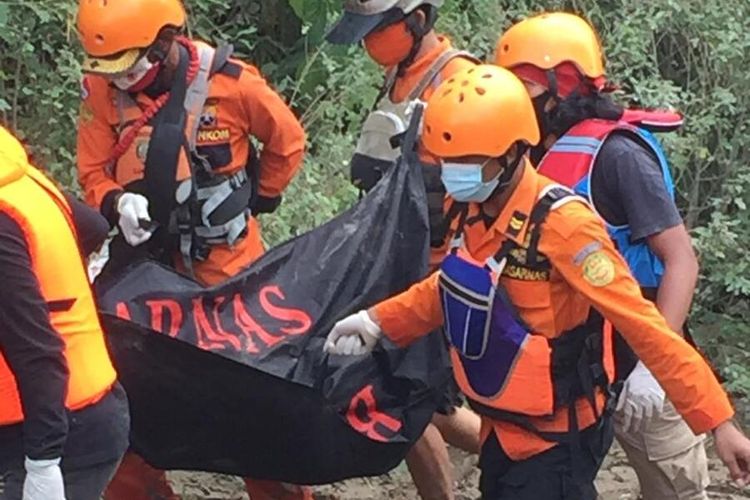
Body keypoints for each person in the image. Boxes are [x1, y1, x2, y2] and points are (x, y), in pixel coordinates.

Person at [323, 64, 750, 500]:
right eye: (449, 161)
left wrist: (718, 423)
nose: (455, 172)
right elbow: (457, 286)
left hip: (557, 442)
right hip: (501, 430)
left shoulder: (566, 228)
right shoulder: (473, 208)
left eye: (469, 161)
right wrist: (379, 322)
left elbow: (644, 326)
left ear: (512, 153)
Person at [75, 0, 308, 498]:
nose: (119, 82)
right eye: (108, 71)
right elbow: (92, 169)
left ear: (164, 43)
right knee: (125, 389)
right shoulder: (101, 89)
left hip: (227, 272)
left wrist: (259, 198)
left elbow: (287, 141)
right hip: (148, 267)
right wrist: (115, 201)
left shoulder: (232, 84)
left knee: (252, 397)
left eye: (128, 68)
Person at [495, 12, 710, 499]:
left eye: (523, 89)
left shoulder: (617, 156)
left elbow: (681, 260)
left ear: (565, 83)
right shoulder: (528, 154)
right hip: (580, 364)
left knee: (673, 486)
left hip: (642, 352)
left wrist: (656, 373)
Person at [327, 1, 480, 497]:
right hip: (397, 268)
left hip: (446, 276)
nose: (372, 42)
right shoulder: (398, 79)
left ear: (416, 20)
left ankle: (534, 456)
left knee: (430, 403)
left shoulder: (459, 81)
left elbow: (490, 186)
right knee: (403, 401)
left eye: (380, 30)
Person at [0, 126, 130, 500]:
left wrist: (43, 464)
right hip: (66, 414)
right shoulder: (21, 181)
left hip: (61, 433)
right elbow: (93, 226)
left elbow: (37, 354)